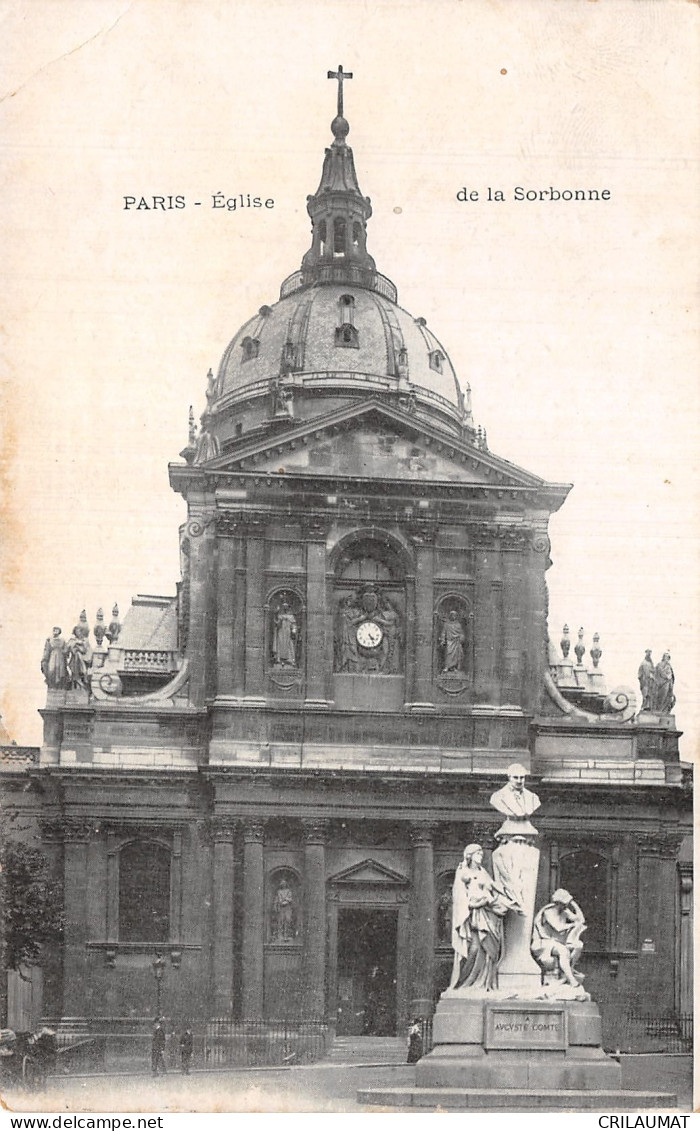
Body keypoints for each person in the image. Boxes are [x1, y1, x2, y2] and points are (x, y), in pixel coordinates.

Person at [449, 844, 518, 992]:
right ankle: (464, 983)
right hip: (475, 914)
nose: (480, 856)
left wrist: (509, 895)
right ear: (469, 855)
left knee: (489, 950)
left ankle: (482, 983)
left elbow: (493, 885)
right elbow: (460, 897)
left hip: (488, 912)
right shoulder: (463, 872)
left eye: (481, 853)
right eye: (477, 854)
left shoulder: (482, 871)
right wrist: (476, 903)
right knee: (473, 949)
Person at [531, 889, 586, 987]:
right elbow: (558, 928)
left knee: (579, 945)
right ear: (559, 903)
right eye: (564, 903)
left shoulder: (564, 911)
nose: (565, 906)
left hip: (556, 942)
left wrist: (572, 902)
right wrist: (572, 925)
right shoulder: (548, 912)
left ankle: (567, 973)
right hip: (543, 943)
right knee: (563, 951)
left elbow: (581, 920)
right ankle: (572, 980)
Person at [272, 602, 298, 667]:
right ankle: (280, 660)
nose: (285, 609)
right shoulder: (280, 616)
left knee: (290, 645)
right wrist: (276, 614)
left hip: (288, 633)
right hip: (281, 632)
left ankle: (291, 660)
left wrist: (294, 631)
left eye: (286, 607)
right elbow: (277, 623)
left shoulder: (291, 616)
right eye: (284, 607)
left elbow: (294, 624)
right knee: (281, 645)